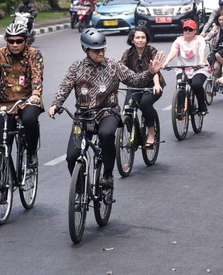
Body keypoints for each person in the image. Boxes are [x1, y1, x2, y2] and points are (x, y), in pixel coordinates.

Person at [48, 28, 165, 189]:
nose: (100, 53)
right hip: (83, 117)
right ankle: (81, 190)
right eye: (96, 50)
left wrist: (150, 72)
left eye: (103, 49)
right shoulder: (76, 67)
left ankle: (107, 174)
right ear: (85, 49)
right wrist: (56, 103)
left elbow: (135, 80)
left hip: (108, 113)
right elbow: (65, 86)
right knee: (72, 157)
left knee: (106, 134)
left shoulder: (113, 66)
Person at [0, 23, 44, 168]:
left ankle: (31, 153)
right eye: (11, 41)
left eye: (19, 41)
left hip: (27, 101)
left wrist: (36, 94)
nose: (15, 44)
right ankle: (4, 173)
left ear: (26, 41)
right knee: (2, 143)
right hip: (6, 104)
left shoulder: (34, 54)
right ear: (6, 41)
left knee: (29, 120)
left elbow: (37, 76)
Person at [120, 27, 165, 147]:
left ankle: (151, 132)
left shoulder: (151, 51)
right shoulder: (128, 53)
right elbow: (120, 70)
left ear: (147, 39)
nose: (140, 40)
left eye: (143, 37)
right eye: (137, 37)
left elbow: (155, 70)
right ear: (132, 40)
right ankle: (133, 133)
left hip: (152, 86)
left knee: (145, 104)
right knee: (127, 108)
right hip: (134, 87)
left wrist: (156, 84)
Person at [161, 19, 209, 115]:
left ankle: (202, 106)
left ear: (195, 31)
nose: (187, 31)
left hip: (198, 68)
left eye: (190, 29)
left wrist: (201, 61)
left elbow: (201, 50)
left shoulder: (199, 39)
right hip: (182, 68)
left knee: (196, 85)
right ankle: (180, 109)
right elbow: (174, 51)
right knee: (180, 85)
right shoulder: (179, 40)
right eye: (185, 29)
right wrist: (166, 62)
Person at [204, 9, 223, 77]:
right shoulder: (216, 27)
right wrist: (203, 39)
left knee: (217, 55)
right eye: (219, 20)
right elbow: (210, 34)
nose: (221, 21)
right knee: (215, 67)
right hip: (216, 48)